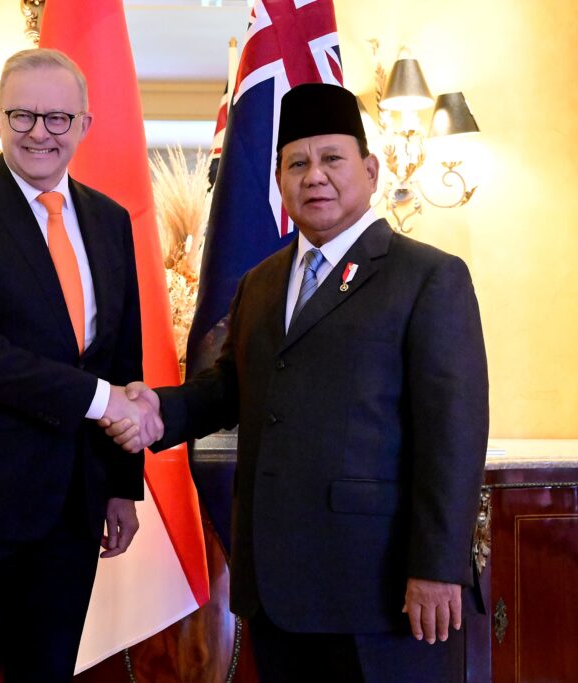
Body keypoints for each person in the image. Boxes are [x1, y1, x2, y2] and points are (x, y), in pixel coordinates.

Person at [103, 83, 489, 682]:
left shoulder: (426, 277)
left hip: (380, 586)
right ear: (280, 182)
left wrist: (437, 566)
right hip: (277, 583)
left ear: (369, 169)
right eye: (297, 164)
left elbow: (454, 436)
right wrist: (157, 409)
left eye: (332, 159)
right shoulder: (260, 282)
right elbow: (230, 388)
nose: (315, 177)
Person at [0, 48, 162, 682]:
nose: (40, 133)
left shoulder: (109, 219)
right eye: (22, 115)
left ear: (84, 125)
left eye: (57, 118)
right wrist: (104, 403)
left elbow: (122, 352)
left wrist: (122, 485)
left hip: (71, 505)